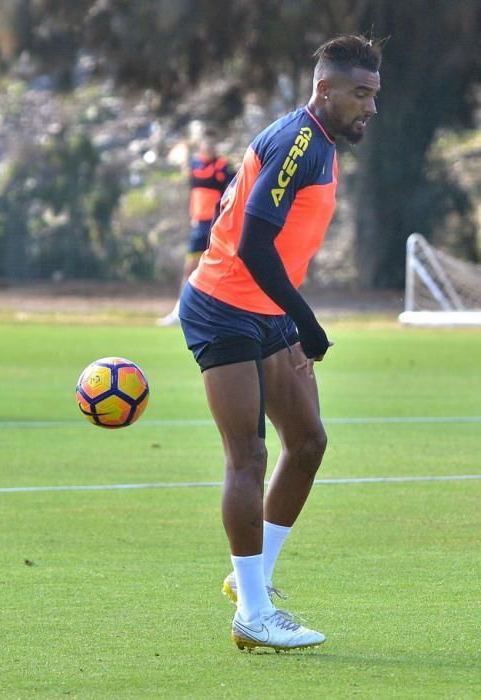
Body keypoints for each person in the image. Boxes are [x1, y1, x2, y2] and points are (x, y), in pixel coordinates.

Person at [179, 34, 383, 651]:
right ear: (326, 90)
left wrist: (289, 316)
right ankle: (254, 615)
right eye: (361, 94)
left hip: (266, 310)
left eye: (375, 94)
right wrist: (308, 321)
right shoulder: (299, 142)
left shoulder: (319, 142)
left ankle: (253, 584)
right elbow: (253, 246)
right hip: (224, 308)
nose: (371, 107)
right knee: (248, 455)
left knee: (309, 442)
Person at [156, 129, 235, 326]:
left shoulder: (223, 168)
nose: (208, 147)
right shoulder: (194, 165)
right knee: (189, 268)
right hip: (199, 225)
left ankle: (220, 314)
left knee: (220, 269)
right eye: (205, 144)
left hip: (216, 225)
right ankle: (179, 311)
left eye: (211, 144)